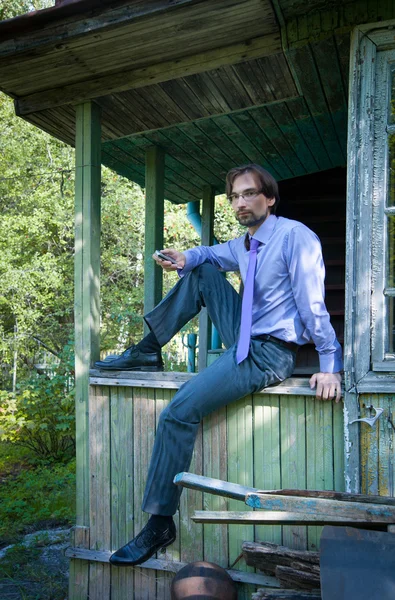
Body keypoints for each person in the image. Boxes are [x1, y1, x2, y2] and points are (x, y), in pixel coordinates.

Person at [95, 163, 343, 567]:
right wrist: (183, 256)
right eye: (234, 196)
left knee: (179, 410)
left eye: (248, 194)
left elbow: (313, 306)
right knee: (202, 269)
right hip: (243, 336)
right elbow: (210, 253)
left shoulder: (296, 238)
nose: (240, 203)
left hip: (270, 353)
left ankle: (159, 524)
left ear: (270, 198)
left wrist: (330, 362)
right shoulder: (244, 243)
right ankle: (147, 348)